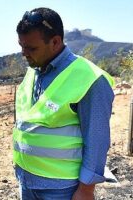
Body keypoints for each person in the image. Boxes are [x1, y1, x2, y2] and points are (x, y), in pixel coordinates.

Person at [13, 7, 114, 200]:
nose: (23, 53)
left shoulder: (90, 79)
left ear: (55, 42)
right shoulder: (34, 69)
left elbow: (97, 140)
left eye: (31, 48)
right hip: (26, 180)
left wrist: (86, 190)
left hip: (60, 188)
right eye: (21, 45)